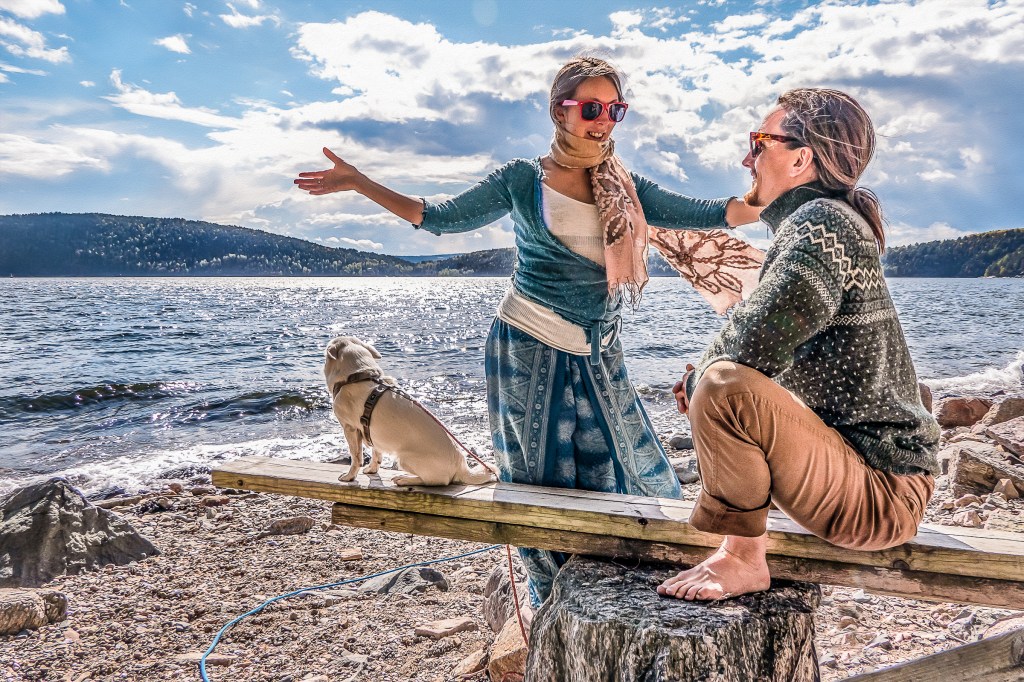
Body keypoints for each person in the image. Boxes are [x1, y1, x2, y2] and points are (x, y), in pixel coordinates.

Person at [295, 56, 761, 606]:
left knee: (624, 462)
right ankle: (555, 598)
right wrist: (357, 182)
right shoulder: (523, 179)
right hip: (527, 348)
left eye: (615, 110)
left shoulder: (624, 186)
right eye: (591, 108)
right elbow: (437, 217)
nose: (604, 121)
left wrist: (786, 188)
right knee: (539, 481)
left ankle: (626, 576)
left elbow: (715, 212)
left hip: (599, 350)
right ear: (560, 112)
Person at [657, 88, 941, 602]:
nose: (747, 158)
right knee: (725, 381)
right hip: (872, 475)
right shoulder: (824, 221)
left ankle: (742, 557)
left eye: (759, 142)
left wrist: (700, 380)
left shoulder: (821, 224)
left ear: (800, 158)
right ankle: (742, 543)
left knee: (724, 386)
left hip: (880, 495)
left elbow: (758, 337)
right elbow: (765, 337)